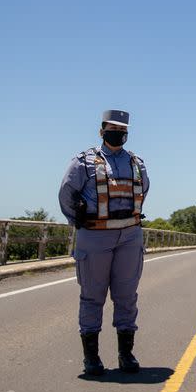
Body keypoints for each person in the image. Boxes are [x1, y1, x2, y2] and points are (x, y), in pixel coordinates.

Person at [59, 110, 150, 376]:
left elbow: (143, 190)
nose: (118, 133)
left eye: (123, 129)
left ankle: (126, 355)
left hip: (130, 236)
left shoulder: (137, 163)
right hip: (95, 235)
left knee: (127, 296)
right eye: (113, 128)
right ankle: (92, 358)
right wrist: (79, 221)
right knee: (92, 296)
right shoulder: (83, 162)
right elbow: (66, 193)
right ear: (102, 131)